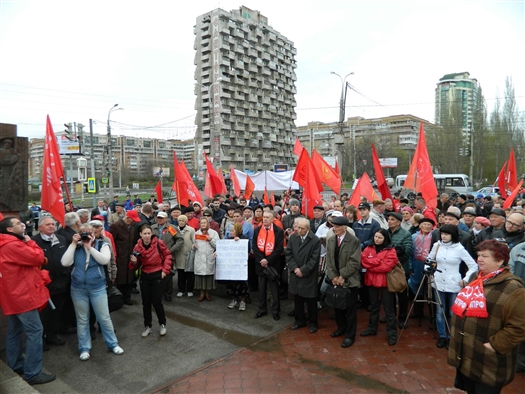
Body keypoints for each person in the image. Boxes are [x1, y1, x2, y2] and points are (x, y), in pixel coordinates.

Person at [448, 240, 525, 392]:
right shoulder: (476, 278)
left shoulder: (513, 288)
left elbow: (519, 327)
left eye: (485, 256)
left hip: (489, 361)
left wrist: (494, 345)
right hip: (467, 355)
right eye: (478, 255)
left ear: (500, 260)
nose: (479, 259)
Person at [0, 217, 56, 385]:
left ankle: (16, 364)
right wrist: (30, 242)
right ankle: (32, 373)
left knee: (14, 331)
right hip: (22, 296)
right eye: (18, 224)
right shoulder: (13, 245)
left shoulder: (5, 244)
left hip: (12, 295)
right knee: (35, 331)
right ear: (9, 229)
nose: (22, 225)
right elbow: (38, 258)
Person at [61, 224, 124, 361]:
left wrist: (90, 247)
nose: (86, 235)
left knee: (104, 317)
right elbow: (65, 262)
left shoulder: (102, 244)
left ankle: (112, 344)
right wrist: (73, 244)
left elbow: (104, 260)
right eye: (83, 233)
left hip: (97, 287)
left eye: (89, 233)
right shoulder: (76, 247)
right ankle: (84, 348)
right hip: (78, 288)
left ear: (94, 234)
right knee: (82, 319)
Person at [427, 224, 478, 348]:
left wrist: (465, 279)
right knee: (439, 311)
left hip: (453, 282)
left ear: (453, 235)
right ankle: (442, 335)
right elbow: (429, 259)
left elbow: (473, 266)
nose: (443, 236)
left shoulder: (459, 248)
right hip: (438, 282)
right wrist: (428, 270)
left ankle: (452, 336)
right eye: (442, 234)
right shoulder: (437, 245)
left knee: (453, 311)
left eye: (446, 234)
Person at [32, 216, 70, 348]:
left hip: (60, 282)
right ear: (40, 227)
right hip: (44, 284)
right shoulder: (34, 241)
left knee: (56, 311)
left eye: (53, 224)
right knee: (43, 314)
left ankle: (53, 335)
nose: (51, 227)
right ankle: (41, 339)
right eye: (48, 224)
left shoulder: (61, 239)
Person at [325, 216, 361, 348]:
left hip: (349, 281)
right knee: (337, 306)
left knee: (350, 310)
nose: (335, 229)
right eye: (334, 226)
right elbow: (329, 259)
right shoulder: (331, 239)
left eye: (338, 227)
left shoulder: (353, 241)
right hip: (335, 279)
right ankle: (341, 328)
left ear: (345, 227)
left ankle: (350, 336)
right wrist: (333, 276)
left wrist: (342, 276)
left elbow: (354, 262)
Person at [130, 224, 172, 337]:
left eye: (149, 233)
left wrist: (165, 270)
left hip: (158, 274)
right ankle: (147, 325)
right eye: (144, 234)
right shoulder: (137, 247)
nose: (147, 236)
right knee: (146, 303)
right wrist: (134, 261)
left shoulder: (159, 243)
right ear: (140, 235)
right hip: (145, 275)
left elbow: (168, 255)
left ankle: (162, 324)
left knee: (157, 302)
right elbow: (136, 264)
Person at [360, 229, 398, 345]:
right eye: (376, 237)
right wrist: (379, 261)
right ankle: (372, 329)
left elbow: (387, 267)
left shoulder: (391, 250)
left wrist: (372, 265)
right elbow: (363, 261)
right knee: (374, 307)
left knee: (389, 309)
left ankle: (392, 334)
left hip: (385, 283)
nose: (377, 239)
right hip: (371, 282)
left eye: (380, 237)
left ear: (385, 239)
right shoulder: (369, 248)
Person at [285, 218, 321, 333]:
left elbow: (314, 259)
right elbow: (289, 254)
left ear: (308, 229)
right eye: (298, 227)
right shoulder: (293, 238)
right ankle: (299, 321)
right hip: (296, 273)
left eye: (302, 228)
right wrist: (295, 268)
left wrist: (303, 270)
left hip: (308, 275)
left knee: (311, 301)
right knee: (298, 299)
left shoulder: (315, 240)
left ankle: (313, 322)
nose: (299, 230)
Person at [253, 211, 285, 320]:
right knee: (261, 289)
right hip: (260, 264)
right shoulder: (257, 230)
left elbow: (279, 249)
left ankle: (275, 310)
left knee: (274, 289)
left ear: (272, 219)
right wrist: (262, 259)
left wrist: (268, 261)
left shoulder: (279, 231)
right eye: (264, 217)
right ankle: (262, 309)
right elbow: (255, 246)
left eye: (267, 217)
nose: (265, 219)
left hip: (273, 265)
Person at [386, 212, 413, 328]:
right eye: (389, 219)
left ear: (398, 222)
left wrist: (393, 255)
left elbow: (407, 252)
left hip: (400, 269)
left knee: (401, 295)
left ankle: (402, 318)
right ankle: (390, 316)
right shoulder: (385, 233)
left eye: (392, 219)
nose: (389, 221)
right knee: (389, 294)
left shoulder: (405, 234)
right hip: (387, 268)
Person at [109, 209, 141, 305]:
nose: (135, 221)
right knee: (120, 279)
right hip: (119, 257)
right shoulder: (115, 226)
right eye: (133, 219)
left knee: (129, 278)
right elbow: (111, 242)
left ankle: (127, 297)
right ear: (128, 218)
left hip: (129, 257)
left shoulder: (132, 227)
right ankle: (119, 298)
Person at [151, 211, 184, 302]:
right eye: (158, 217)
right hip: (155, 255)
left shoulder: (171, 228)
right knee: (156, 275)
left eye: (161, 218)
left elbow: (180, 240)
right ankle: (157, 293)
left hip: (167, 256)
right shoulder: (153, 228)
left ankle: (167, 293)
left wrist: (170, 250)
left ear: (166, 219)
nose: (159, 219)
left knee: (168, 276)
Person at [408, 218, 435, 319]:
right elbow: (410, 253)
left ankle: (432, 315)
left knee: (430, 290)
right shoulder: (413, 236)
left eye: (429, 225)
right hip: (416, 265)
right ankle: (417, 312)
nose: (427, 226)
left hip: (430, 267)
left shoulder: (434, 236)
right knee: (416, 289)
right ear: (420, 226)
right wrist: (410, 267)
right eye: (424, 224)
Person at [193, 217, 220, 301]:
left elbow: (218, 245)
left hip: (209, 257)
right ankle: (201, 294)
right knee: (200, 276)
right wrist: (193, 246)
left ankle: (207, 294)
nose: (203, 224)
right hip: (199, 258)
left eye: (205, 223)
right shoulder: (196, 233)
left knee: (208, 277)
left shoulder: (214, 233)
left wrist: (210, 239)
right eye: (202, 223)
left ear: (208, 224)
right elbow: (192, 245)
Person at [225, 223, 250, 311]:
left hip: (241, 267)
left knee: (242, 283)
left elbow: (248, 249)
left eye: (232, 231)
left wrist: (240, 242)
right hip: (232, 267)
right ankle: (234, 299)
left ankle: (242, 301)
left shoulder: (244, 239)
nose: (230, 232)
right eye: (230, 231)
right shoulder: (228, 240)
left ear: (238, 230)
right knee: (232, 283)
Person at [509, 240, 525, 373]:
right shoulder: (519, 249)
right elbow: (511, 269)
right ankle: (519, 362)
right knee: (519, 327)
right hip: (519, 296)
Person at [173, 215, 196, 297]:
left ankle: (190, 290)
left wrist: (193, 248)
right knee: (180, 273)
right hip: (179, 254)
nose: (181, 222)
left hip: (188, 254)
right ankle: (181, 290)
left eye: (183, 221)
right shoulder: (175, 229)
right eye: (180, 220)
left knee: (189, 273)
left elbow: (194, 241)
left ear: (186, 222)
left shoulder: (191, 230)